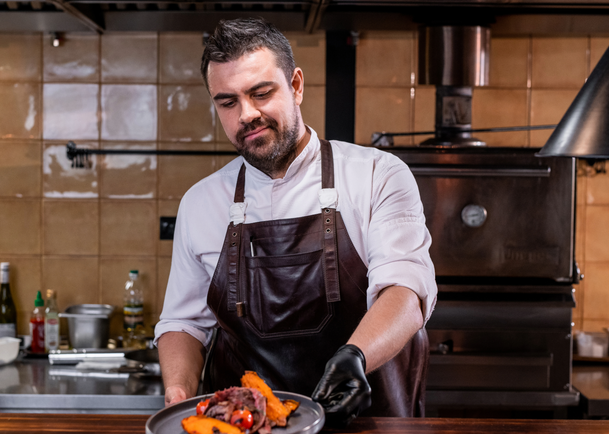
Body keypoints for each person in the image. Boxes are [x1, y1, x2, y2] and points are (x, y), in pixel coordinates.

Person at [155, 17, 436, 425]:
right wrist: (178, 388)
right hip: (251, 427)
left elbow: (405, 292)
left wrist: (354, 356)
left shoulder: (377, 173)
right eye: (228, 102)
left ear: (296, 86)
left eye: (261, 93)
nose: (246, 114)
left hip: (366, 422)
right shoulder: (201, 203)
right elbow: (183, 323)